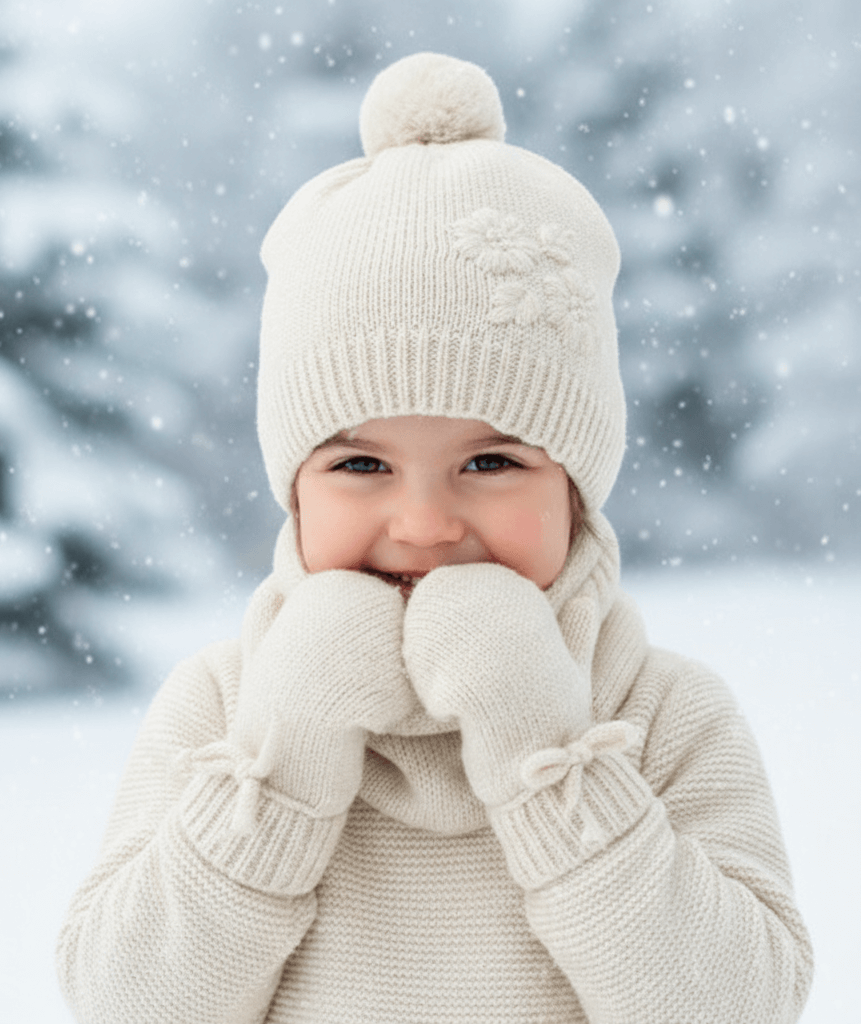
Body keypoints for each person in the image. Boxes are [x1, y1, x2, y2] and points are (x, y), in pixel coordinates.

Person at [56, 52, 812, 1023]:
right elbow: (128, 1003)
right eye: (360, 466)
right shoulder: (225, 704)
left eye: (490, 463)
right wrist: (284, 762)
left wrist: (548, 750)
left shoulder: (657, 711)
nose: (422, 524)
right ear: (291, 490)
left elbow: (737, 1007)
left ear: (578, 488)